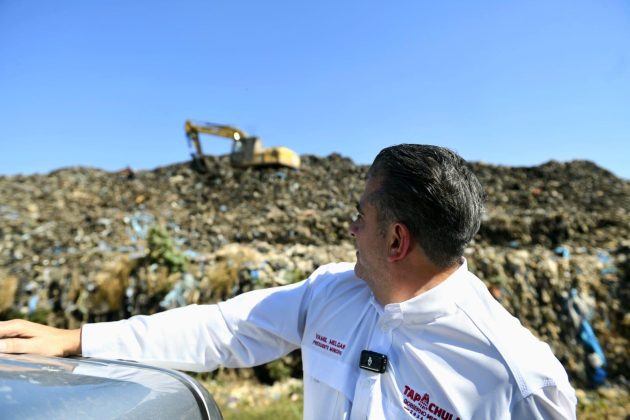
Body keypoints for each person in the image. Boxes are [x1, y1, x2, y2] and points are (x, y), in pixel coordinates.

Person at [0, 144, 576, 419]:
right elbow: (223, 329)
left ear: (397, 241)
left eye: (361, 216)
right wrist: (77, 341)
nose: (351, 229)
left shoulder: (520, 382)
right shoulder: (332, 293)